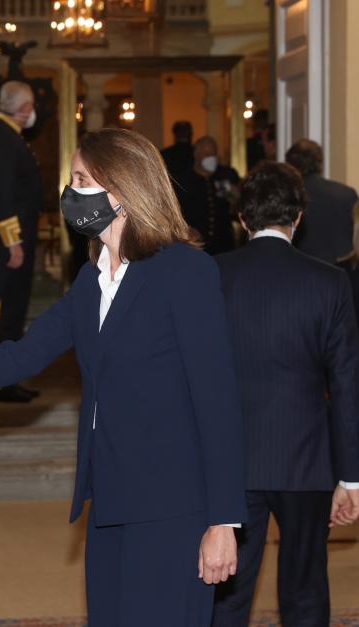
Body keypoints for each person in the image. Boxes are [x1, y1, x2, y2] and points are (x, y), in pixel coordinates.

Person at [0, 128, 247, 626]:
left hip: (174, 506)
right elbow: (20, 356)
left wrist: (222, 520)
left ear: (121, 190)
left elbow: (217, 400)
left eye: (81, 179)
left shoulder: (184, 271)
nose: (70, 193)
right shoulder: (91, 278)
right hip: (110, 499)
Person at [211, 162, 359, 627]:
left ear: (243, 219)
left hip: (230, 460)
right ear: (298, 217)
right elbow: (347, 385)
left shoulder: (211, 276)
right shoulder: (331, 283)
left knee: (228, 591)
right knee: (305, 589)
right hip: (307, 459)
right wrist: (351, 478)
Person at [0, 80, 43, 403]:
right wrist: (13, 243)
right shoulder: (1, 138)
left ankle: (7, 379)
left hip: (11, 243)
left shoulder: (7, 136)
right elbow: (1, 197)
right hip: (3, 246)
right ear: (24, 108)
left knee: (13, 311)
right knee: (1, 313)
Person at [285, 139, 359, 267]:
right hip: (343, 272)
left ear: (291, 165)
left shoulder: (288, 195)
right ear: (320, 164)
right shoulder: (347, 194)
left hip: (301, 271)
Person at [175, 136, 240, 255]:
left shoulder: (227, 175)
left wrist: (235, 195)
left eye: (213, 154)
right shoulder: (183, 180)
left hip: (224, 245)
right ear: (196, 154)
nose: (211, 158)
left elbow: (239, 207)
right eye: (207, 154)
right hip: (195, 246)